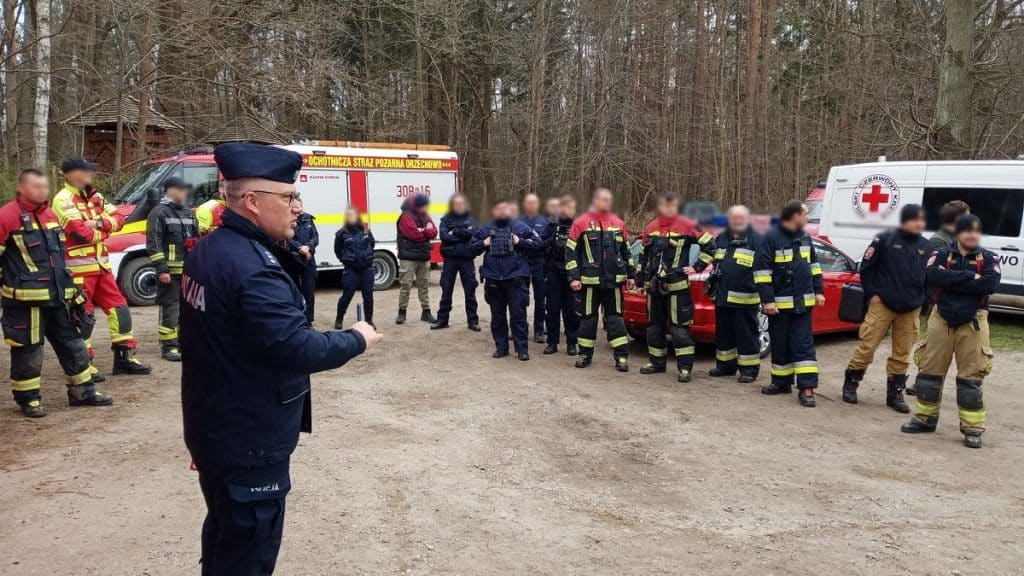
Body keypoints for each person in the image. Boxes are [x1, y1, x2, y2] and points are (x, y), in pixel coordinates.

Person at [181, 143, 383, 575]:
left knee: (225, 532)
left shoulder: (210, 249)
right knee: (248, 550)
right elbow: (297, 347)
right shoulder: (253, 268)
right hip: (249, 436)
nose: (298, 208)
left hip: (216, 425)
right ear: (252, 202)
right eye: (289, 197)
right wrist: (356, 338)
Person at [0, 169, 113, 417]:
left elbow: (59, 259)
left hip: (58, 298)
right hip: (25, 303)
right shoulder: (6, 216)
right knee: (29, 351)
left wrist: (73, 291)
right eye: (37, 187)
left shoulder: (50, 214)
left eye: (45, 187)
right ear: (21, 187)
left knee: (74, 344)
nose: (43, 191)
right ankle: (28, 400)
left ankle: (83, 391)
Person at [902, 214, 1000, 449]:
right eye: (968, 230)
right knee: (929, 373)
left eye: (976, 231)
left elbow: (989, 284)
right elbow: (933, 275)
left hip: (974, 321)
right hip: (941, 319)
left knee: (971, 377)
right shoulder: (942, 253)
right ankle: (924, 419)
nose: (972, 235)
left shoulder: (989, 257)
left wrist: (951, 280)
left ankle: (972, 427)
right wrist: (969, 276)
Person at [53, 157, 151, 377]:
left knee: (119, 308)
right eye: (86, 171)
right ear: (72, 174)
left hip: (101, 266)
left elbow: (119, 219)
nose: (90, 175)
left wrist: (99, 224)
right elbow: (80, 234)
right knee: (83, 316)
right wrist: (104, 230)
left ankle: (125, 357)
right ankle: (84, 365)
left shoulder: (95, 195)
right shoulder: (63, 199)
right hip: (78, 271)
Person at [843, 204, 930, 412]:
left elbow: (931, 277)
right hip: (882, 304)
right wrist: (872, 295)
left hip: (910, 308)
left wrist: (923, 300)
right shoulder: (885, 239)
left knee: (902, 352)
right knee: (868, 345)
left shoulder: (927, 246)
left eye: (922, 220)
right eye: (914, 219)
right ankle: (851, 383)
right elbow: (866, 268)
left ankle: (895, 393)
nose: (919, 223)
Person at [637, 192, 715, 382]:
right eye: (665, 205)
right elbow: (643, 256)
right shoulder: (651, 227)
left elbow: (710, 246)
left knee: (679, 329)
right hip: (654, 289)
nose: (669, 209)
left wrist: (696, 267)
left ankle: (685, 368)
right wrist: (640, 281)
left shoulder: (687, 225)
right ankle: (656, 362)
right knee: (654, 328)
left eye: (672, 206)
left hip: (677, 288)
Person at [754, 200, 824, 407]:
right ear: (794, 216)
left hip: (803, 303)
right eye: (805, 214)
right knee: (781, 344)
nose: (808, 217)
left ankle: (807, 388)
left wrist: (819, 291)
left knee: (803, 345)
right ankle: (781, 382)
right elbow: (762, 272)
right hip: (779, 305)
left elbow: (814, 266)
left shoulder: (805, 237)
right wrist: (767, 300)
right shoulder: (771, 237)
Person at [566, 187, 635, 372]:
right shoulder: (580, 223)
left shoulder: (618, 223)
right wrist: (573, 277)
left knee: (616, 321)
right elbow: (570, 253)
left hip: (614, 282)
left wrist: (631, 275)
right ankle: (584, 355)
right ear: (595, 201)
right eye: (603, 199)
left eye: (609, 200)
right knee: (588, 321)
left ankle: (621, 357)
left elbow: (627, 252)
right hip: (588, 282)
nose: (607, 203)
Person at [908, 200, 971, 396]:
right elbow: (934, 274)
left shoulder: (959, 239)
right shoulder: (939, 241)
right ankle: (923, 383)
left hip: (954, 300)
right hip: (938, 300)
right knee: (934, 347)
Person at [471, 199, 540, 360]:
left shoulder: (520, 227)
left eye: (505, 209)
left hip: (515, 278)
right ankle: (501, 348)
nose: (502, 212)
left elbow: (537, 244)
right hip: (494, 279)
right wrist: (484, 243)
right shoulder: (487, 228)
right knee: (497, 316)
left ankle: (522, 349)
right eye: (498, 209)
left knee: (518, 316)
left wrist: (519, 241)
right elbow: (470, 247)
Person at [707, 205, 763, 383]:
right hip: (722, 297)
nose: (737, 221)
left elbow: (763, 268)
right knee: (724, 334)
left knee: (746, 336)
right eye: (733, 218)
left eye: (740, 218)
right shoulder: (722, 238)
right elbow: (715, 263)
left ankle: (749, 370)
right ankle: (725, 366)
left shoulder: (756, 239)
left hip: (745, 299)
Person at [145, 177, 198, 362]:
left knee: (188, 310)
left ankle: (184, 343)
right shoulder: (159, 213)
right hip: (169, 273)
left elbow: (196, 240)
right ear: (169, 191)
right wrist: (162, 270)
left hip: (188, 271)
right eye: (181, 189)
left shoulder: (188, 212)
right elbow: (154, 244)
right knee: (171, 309)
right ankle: (169, 347)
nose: (184, 192)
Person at [432, 194, 480, 331]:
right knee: (446, 290)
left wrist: (455, 232)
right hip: (450, 259)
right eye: (456, 204)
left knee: (470, 291)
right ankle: (442, 320)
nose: (458, 206)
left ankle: (473, 321)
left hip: (467, 259)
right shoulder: (446, 218)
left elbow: (473, 234)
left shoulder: (471, 218)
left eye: (461, 204)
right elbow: (444, 237)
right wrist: (463, 234)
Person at [543, 195, 579, 356]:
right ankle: (552, 342)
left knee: (571, 310)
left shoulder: (579, 226)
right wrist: (552, 241)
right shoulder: (551, 225)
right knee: (552, 308)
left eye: (572, 208)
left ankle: (572, 343)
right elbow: (540, 245)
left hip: (571, 273)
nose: (570, 211)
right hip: (553, 271)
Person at [395, 193, 437, 325]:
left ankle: (426, 312)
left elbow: (435, 232)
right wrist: (426, 231)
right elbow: (413, 235)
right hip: (408, 257)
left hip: (423, 256)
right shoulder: (406, 216)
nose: (425, 208)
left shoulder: (426, 215)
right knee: (406, 285)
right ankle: (402, 313)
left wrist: (422, 231)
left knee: (423, 285)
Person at [518, 193, 552, 343]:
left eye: (534, 203)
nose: (531, 206)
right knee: (520, 298)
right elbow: (515, 241)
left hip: (539, 263)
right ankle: (521, 328)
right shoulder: (518, 221)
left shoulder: (545, 221)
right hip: (522, 262)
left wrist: (528, 242)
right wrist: (529, 243)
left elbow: (545, 243)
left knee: (540, 298)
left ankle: (539, 329)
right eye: (528, 203)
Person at [334, 207, 375, 329]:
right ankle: (339, 318)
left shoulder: (366, 230)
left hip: (366, 268)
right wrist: (346, 260)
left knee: (368, 295)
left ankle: (369, 320)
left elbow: (372, 244)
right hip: (351, 268)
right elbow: (337, 250)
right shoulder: (342, 233)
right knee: (348, 293)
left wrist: (367, 257)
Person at [290, 197, 319, 323]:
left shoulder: (308, 219)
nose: (297, 207)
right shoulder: (288, 219)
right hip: (294, 259)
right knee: (295, 291)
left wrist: (309, 247)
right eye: (294, 205)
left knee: (309, 292)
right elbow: (287, 238)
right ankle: (297, 320)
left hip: (308, 260)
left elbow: (315, 237)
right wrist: (300, 247)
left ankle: (308, 321)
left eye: (299, 204)